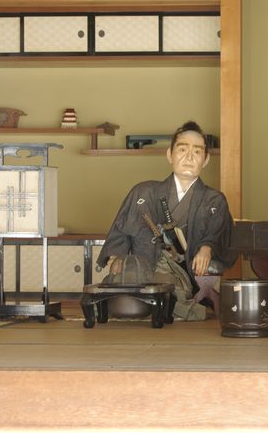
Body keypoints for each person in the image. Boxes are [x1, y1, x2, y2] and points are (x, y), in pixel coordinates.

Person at [97, 121, 235, 320]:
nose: (189, 157)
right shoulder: (144, 191)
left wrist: (207, 248)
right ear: (170, 154)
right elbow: (122, 231)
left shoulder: (214, 199)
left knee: (160, 293)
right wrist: (115, 257)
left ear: (205, 160)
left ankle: (161, 304)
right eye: (182, 149)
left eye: (197, 152)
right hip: (141, 265)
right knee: (119, 290)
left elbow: (219, 233)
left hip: (180, 271)